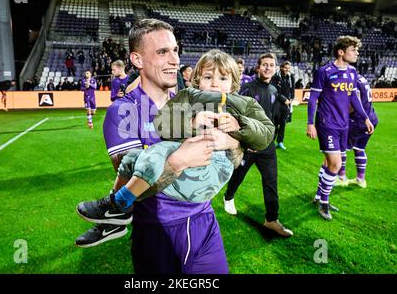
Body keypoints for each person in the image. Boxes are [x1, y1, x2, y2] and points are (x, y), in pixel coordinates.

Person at [74, 19, 239, 274]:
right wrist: (179, 160)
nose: (174, 59)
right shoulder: (124, 111)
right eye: (162, 52)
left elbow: (241, 140)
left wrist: (231, 139)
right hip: (158, 230)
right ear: (138, 60)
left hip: (205, 222)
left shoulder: (189, 102)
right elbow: (135, 187)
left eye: (175, 50)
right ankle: (113, 215)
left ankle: (110, 218)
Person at [76, 49, 274, 234]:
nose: (215, 84)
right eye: (208, 77)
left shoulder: (245, 104)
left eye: (223, 78)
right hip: (184, 155)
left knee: (154, 154)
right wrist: (191, 123)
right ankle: (117, 216)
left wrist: (239, 125)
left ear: (233, 83)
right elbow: (162, 124)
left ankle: (118, 204)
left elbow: (266, 133)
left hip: (214, 167)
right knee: (131, 159)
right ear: (197, 80)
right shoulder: (188, 96)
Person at [223, 53, 294, 238]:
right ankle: (228, 197)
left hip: (267, 145)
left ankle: (271, 219)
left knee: (271, 182)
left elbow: (274, 116)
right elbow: (235, 114)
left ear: (275, 68)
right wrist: (244, 139)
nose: (268, 68)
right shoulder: (247, 88)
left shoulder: (274, 89)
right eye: (264, 65)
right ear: (258, 67)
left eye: (271, 65)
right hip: (249, 144)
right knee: (238, 174)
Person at [307, 36, 374, 220]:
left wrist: (366, 118)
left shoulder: (352, 72)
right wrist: (310, 123)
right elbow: (313, 99)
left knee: (328, 163)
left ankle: (319, 196)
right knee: (336, 164)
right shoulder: (325, 71)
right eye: (354, 50)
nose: (357, 53)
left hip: (344, 124)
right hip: (327, 124)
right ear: (341, 52)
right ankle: (324, 203)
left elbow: (354, 98)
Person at [335, 74, 378, 188]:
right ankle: (360, 179)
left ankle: (341, 178)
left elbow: (353, 104)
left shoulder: (350, 80)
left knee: (340, 147)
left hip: (357, 120)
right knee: (359, 148)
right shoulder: (361, 78)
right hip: (371, 117)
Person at [271, 61, 295, 150]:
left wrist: (292, 98)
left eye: (289, 68)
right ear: (281, 68)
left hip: (287, 103)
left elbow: (292, 89)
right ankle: (271, 141)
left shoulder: (291, 76)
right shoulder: (275, 77)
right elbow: (275, 91)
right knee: (275, 123)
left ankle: (280, 142)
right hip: (277, 103)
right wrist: (284, 100)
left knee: (283, 123)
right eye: (285, 68)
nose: (287, 70)